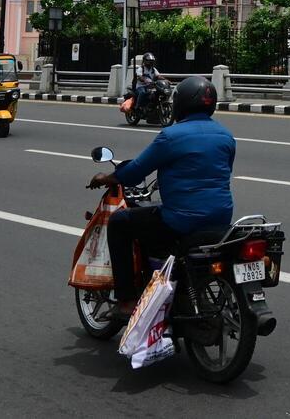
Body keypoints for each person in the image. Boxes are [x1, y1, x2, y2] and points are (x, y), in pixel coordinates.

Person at [89, 75, 236, 316]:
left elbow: (136, 171)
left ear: (181, 103)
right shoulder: (226, 136)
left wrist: (108, 178)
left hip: (181, 219)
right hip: (220, 217)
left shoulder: (171, 136)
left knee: (120, 222)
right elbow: (223, 171)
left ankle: (126, 301)